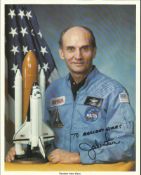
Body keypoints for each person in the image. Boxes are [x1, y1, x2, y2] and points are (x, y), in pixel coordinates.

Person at [6, 26, 135, 164]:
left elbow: (124, 145)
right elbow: (43, 138)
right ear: (62, 53)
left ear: (94, 52)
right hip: (57, 170)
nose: (78, 56)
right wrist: (22, 149)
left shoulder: (113, 91)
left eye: (84, 48)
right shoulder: (53, 90)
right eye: (71, 49)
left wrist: (78, 157)